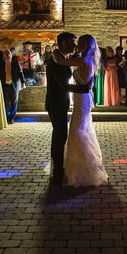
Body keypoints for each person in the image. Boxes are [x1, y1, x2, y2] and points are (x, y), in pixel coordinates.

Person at [51, 34, 109, 187]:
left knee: (78, 131)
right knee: (80, 130)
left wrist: (53, 52)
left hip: (82, 98)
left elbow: (61, 61)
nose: (76, 44)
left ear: (87, 45)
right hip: (81, 98)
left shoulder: (83, 60)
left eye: (80, 42)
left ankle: (80, 170)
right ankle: (76, 168)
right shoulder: (85, 59)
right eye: (75, 42)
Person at [44, 32, 96, 187]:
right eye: (72, 42)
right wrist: (85, 88)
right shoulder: (56, 61)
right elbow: (64, 85)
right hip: (56, 103)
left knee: (64, 135)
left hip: (67, 102)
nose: (75, 46)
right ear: (64, 43)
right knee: (60, 136)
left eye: (77, 43)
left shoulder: (62, 59)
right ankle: (58, 172)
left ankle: (61, 170)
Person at [2, 49, 26, 124]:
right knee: (5, 102)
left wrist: (23, 82)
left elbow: (20, 73)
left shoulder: (15, 63)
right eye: (6, 54)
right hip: (5, 85)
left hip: (14, 84)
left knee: (14, 102)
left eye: (8, 54)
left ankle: (11, 118)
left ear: (11, 55)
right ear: (4, 56)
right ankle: (6, 117)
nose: (7, 55)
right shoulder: (2, 64)